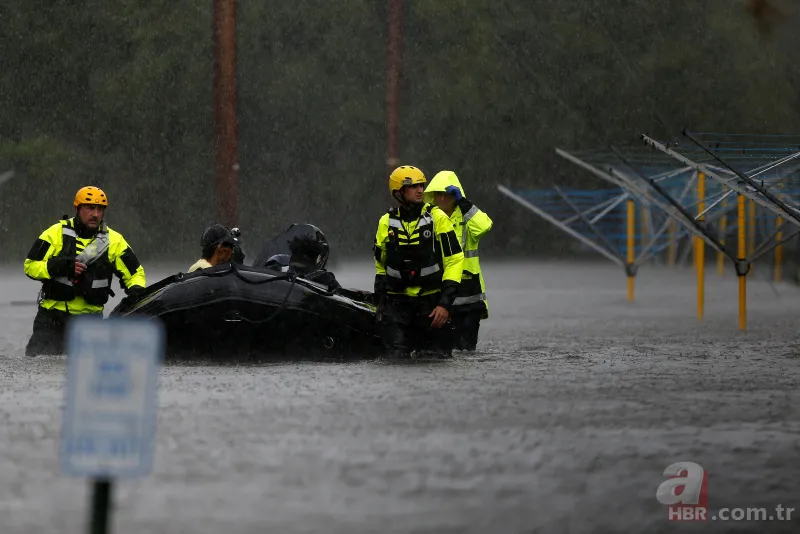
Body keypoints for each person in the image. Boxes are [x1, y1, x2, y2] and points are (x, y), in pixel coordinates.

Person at [23, 186, 147, 356]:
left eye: (100, 209)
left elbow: (135, 274)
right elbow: (30, 266)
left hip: (90, 324)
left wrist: (137, 290)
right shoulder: (55, 233)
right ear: (77, 209)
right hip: (52, 320)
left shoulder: (115, 241)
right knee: (37, 368)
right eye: (90, 208)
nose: (95, 214)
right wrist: (60, 266)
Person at [373, 165, 464, 359]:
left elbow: (454, 260)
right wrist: (380, 303)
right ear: (399, 192)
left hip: (431, 306)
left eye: (421, 185)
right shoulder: (385, 222)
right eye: (414, 186)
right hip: (397, 307)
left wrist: (445, 304)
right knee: (394, 359)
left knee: (434, 358)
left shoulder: (437, 217)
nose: (420, 190)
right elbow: (381, 264)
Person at [424, 171, 493, 351]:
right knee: (443, 351)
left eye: (447, 194)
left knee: (465, 351)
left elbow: (485, 226)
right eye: (437, 194)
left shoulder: (467, 217)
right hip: (442, 293)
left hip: (469, 296)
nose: (441, 198)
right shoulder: (427, 218)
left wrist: (464, 203)